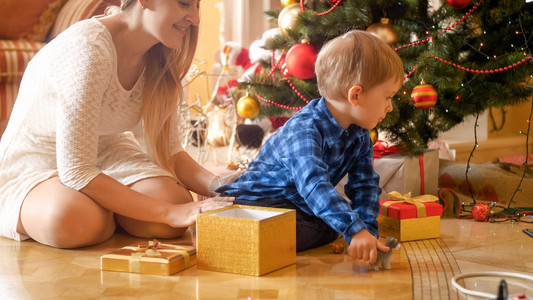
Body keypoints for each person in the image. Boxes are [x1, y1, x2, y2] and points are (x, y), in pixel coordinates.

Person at [0, 0, 236, 249]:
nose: (196, 19)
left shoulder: (162, 51)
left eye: (198, 6)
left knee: (173, 203)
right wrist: (170, 213)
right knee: (75, 219)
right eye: (185, 3)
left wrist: (225, 186)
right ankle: (101, 209)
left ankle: (106, 208)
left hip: (108, 154)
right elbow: (77, 170)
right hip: (40, 159)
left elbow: (169, 151)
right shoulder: (87, 49)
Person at [216, 30, 405, 264]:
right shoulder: (304, 130)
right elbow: (314, 184)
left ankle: (278, 235)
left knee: (330, 223)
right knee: (323, 225)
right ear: (355, 95)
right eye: (388, 97)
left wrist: (366, 233)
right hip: (256, 202)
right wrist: (353, 230)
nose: (390, 107)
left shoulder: (360, 135)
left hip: (296, 206)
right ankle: (234, 232)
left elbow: (364, 185)